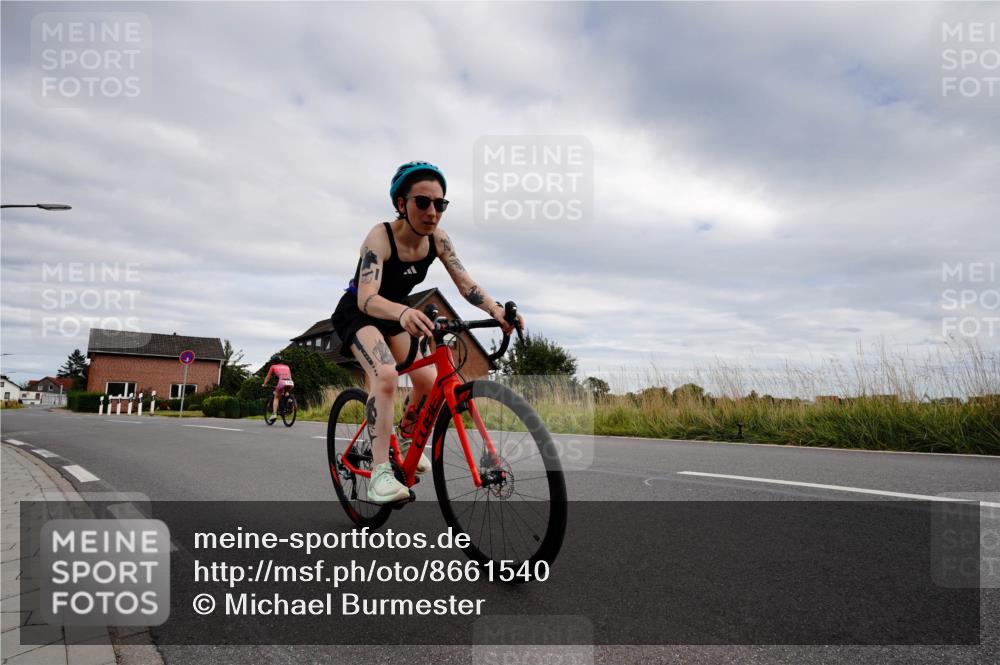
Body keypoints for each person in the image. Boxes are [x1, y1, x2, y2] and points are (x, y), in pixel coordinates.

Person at [331, 161, 523, 503]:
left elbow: (466, 285)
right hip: (360, 312)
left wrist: (496, 311)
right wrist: (404, 312)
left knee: (428, 379)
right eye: (423, 202)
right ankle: (379, 473)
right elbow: (367, 297)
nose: (433, 211)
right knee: (387, 374)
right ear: (402, 204)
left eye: (441, 204)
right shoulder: (381, 237)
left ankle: (404, 441)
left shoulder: (438, 239)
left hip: (397, 314)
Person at [261, 353, 294, 418]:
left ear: (273, 361)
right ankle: (289, 400)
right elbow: (289, 376)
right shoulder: (287, 366)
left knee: (276, 397)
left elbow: (268, 377)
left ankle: (274, 414)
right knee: (285, 392)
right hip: (291, 382)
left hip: (282, 382)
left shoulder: (273, 367)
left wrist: (264, 384)